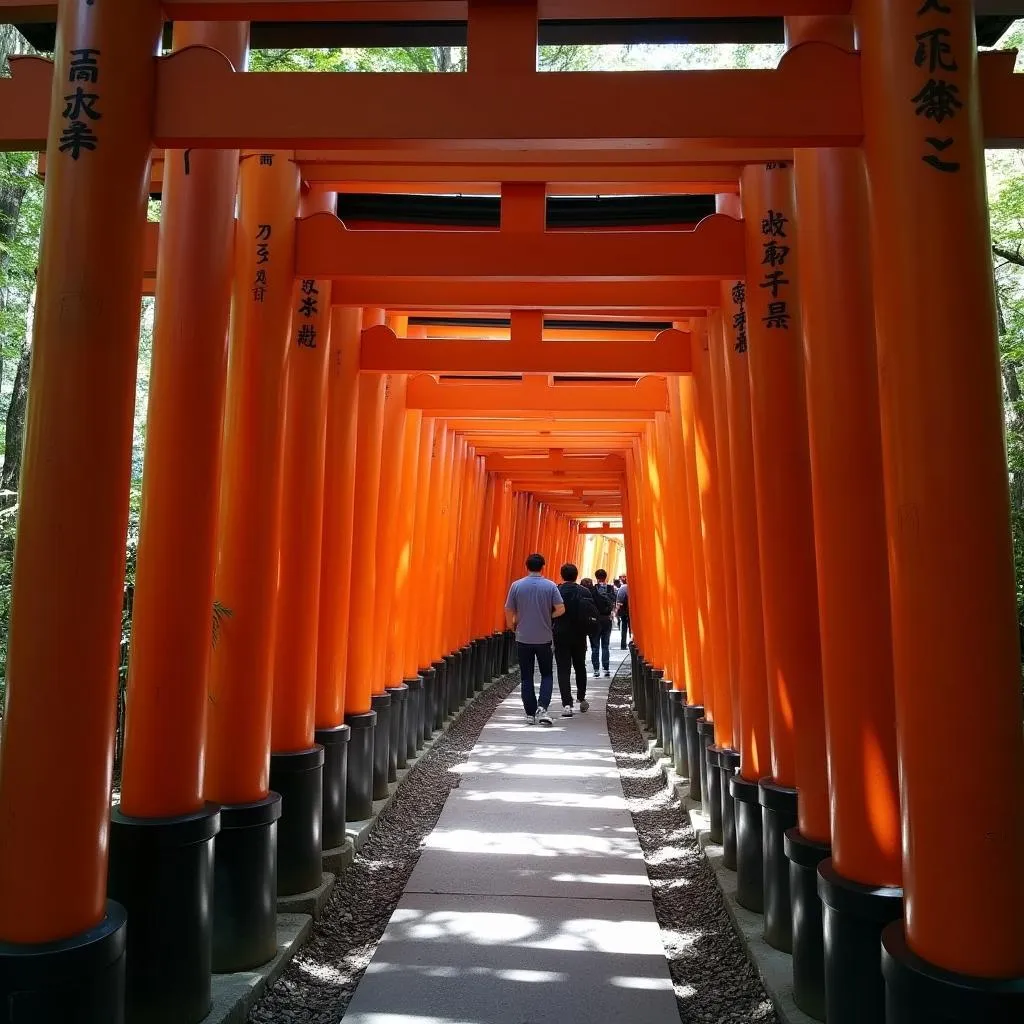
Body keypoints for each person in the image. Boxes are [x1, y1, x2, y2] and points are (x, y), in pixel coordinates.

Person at [505, 553, 565, 726]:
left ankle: (530, 713)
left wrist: (512, 625)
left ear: (527, 566)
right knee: (546, 674)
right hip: (544, 637)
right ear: (543, 566)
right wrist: (549, 616)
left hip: (523, 637)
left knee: (526, 676)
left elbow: (508, 609)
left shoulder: (516, 586)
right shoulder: (550, 586)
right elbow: (561, 609)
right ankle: (542, 707)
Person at [553, 563, 598, 717]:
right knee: (580, 666)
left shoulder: (557, 590)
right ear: (576, 575)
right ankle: (581, 697)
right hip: (580, 634)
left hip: (560, 634)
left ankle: (567, 704)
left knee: (563, 669)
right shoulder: (584, 591)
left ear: (562, 575)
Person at [591, 569, 616, 677]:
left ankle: (596, 669)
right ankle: (606, 668)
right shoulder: (610, 588)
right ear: (605, 577)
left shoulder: (593, 589)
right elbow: (614, 601)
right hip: (607, 619)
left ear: (596, 577)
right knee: (605, 645)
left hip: (596, 620)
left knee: (595, 646)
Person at [615, 579, 630, 649]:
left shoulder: (622, 588)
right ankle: (632, 642)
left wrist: (617, 611)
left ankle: (623, 644)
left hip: (623, 611)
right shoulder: (629, 587)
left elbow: (619, 601)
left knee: (624, 627)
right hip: (631, 611)